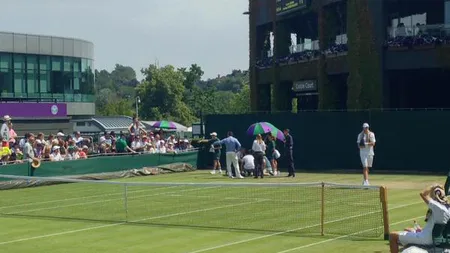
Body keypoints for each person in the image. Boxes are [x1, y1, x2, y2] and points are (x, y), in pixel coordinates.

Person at [389, 184, 450, 253]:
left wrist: (434, 185)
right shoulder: (447, 209)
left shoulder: (437, 207)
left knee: (393, 235)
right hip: (437, 238)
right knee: (408, 229)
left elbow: (423, 194)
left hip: (426, 239)